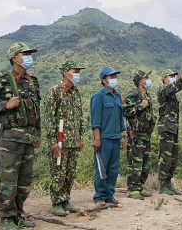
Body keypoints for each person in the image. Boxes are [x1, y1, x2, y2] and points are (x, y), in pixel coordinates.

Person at [0, 42, 41, 230]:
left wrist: (38, 133)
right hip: (9, 140)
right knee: (8, 181)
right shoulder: (1, 80)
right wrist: (4, 104)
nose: (29, 57)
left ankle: (18, 215)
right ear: (15, 58)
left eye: (30, 53)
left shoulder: (32, 81)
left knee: (24, 182)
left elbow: (36, 110)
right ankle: (6, 218)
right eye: (26, 54)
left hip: (28, 138)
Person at [43, 60, 85, 216]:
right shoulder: (54, 91)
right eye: (75, 71)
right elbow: (49, 118)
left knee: (70, 173)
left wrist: (80, 137)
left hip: (73, 140)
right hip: (60, 141)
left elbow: (79, 116)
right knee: (58, 172)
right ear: (65, 72)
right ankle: (56, 202)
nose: (78, 74)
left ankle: (66, 200)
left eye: (78, 72)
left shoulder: (76, 92)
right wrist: (52, 141)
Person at [90, 66, 126, 206]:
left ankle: (110, 195)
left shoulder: (117, 96)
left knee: (113, 168)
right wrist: (97, 138)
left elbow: (120, 117)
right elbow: (96, 121)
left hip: (116, 138)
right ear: (104, 80)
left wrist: (122, 136)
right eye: (111, 77)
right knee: (101, 168)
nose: (114, 79)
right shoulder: (98, 97)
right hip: (104, 138)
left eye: (115, 77)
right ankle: (99, 196)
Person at [157, 68, 182, 195]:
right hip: (166, 128)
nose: (173, 77)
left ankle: (168, 183)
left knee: (173, 158)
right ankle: (162, 185)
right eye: (171, 76)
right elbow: (173, 88)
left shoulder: (172, 96)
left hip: (173, 129)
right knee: (165, 157)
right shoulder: (163, 90)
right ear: (164, 79)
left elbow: (174, 89)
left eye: (174, 76)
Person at [123, 70, 156, 200]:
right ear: (140, 81)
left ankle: (139, 187)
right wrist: (140, 106)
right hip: (136, 135)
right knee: (135, 163)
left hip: (146, 135)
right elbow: (125, 111)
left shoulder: (147, 95)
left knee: (145, 164)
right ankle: (132, 189)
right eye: (146, 77)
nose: (148, 79)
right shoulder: (134, 94)